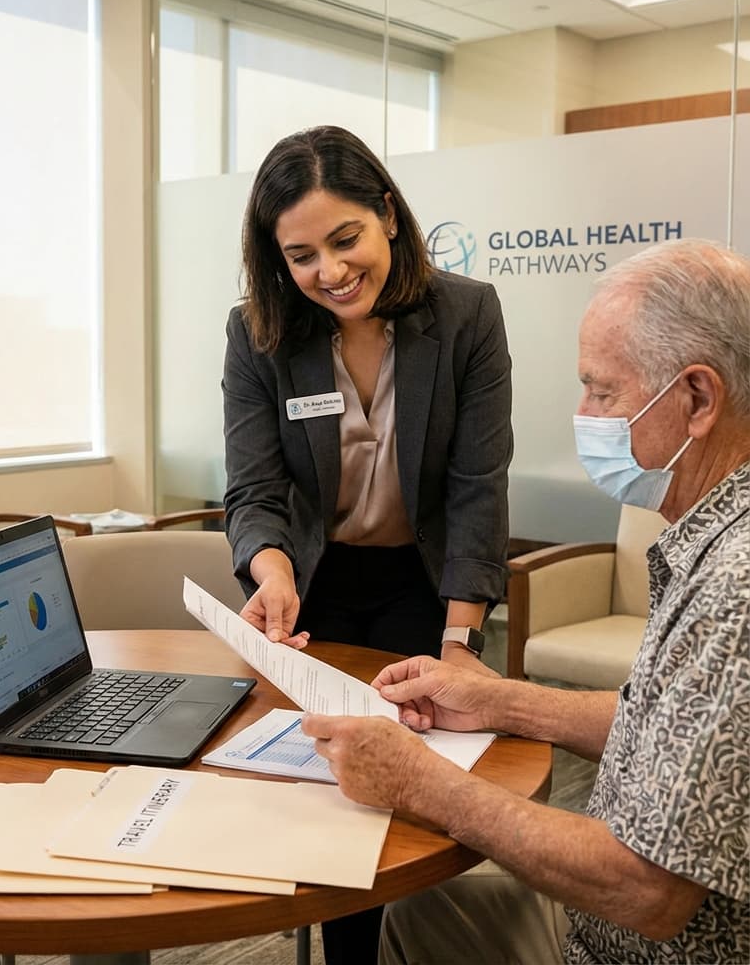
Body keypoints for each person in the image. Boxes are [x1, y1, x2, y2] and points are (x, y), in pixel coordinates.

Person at [302, 238, 750, 965]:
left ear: (697, 399)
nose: (584, 414)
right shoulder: (712, 536)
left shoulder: (735, 588)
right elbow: (669, 726)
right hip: (615, 928)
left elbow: (649, 891)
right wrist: (500, 701)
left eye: (602, 391)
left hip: (646, 946)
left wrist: (422, 782)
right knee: (421, 909)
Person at [222, 125, 513, 963]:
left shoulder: (465, 316)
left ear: (387, 213)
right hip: (315, 588)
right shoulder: (260, 333)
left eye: (345, 239)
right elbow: (254, 486)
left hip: (425, 584)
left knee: (412, 797)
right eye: (302, 255)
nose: (330, 272)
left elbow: (474, 487)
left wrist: (460, 640)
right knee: (326, 794)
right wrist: (270, 569)